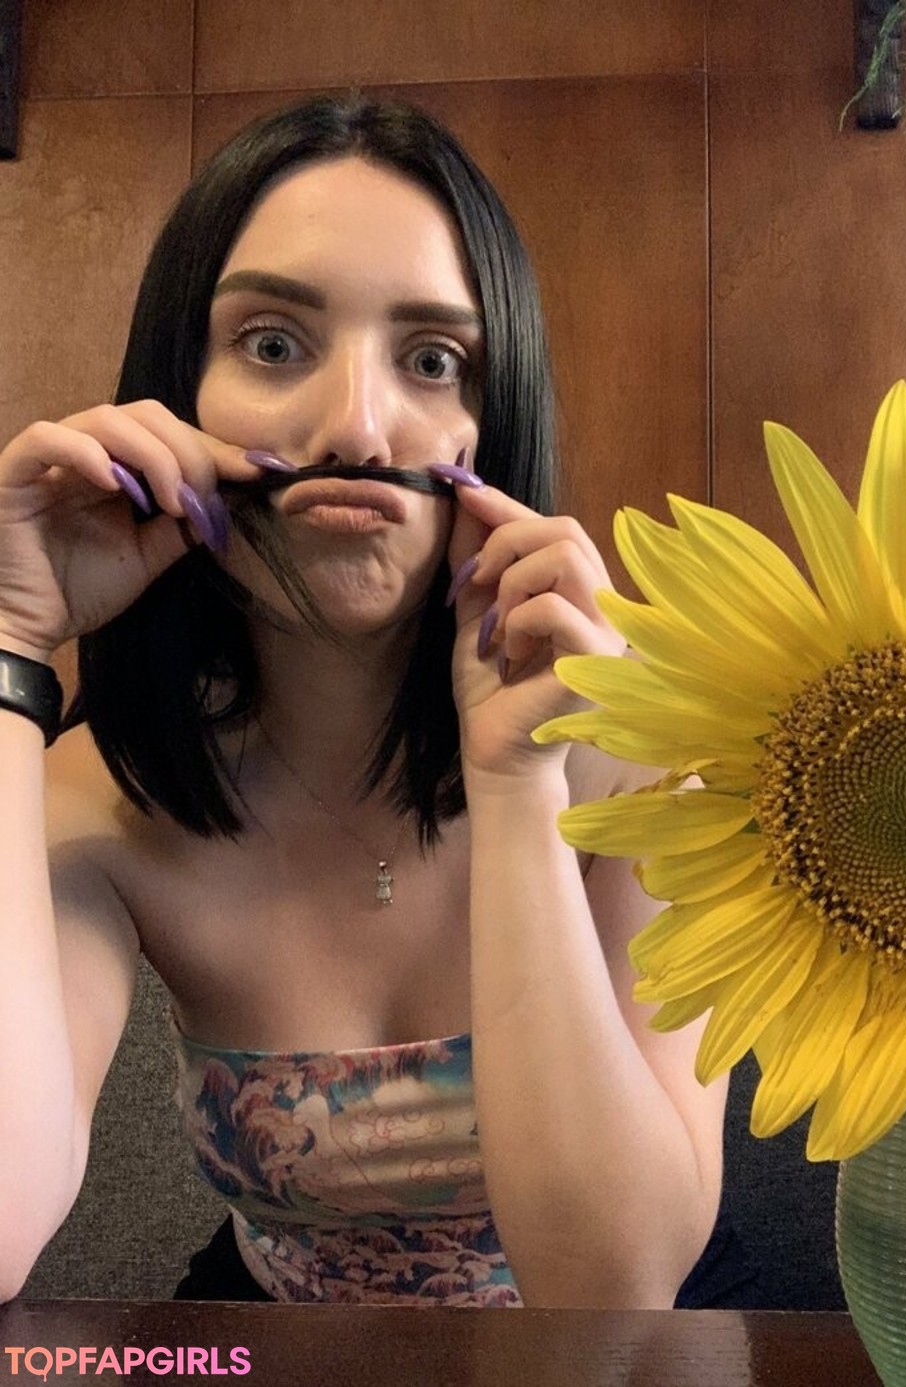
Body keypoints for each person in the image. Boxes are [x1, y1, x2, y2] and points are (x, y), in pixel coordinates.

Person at [0, 95, 728, 1307]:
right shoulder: (99, 802)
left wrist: (516, 783)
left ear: (496, 421)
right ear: (176, 392)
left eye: (433, 360)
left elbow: (614, 1290)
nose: (355, 428)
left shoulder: (647, 759)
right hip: (261, 1345)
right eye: (273, 344)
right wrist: (9, 646)